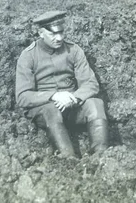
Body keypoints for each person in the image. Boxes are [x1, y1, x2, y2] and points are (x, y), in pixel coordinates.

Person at [15, 10, 109, 158]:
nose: (59, 38)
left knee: (95, 104)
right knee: (51, 110)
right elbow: (22, 96)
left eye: (61, 32)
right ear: (41, 33)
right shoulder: (28, 56)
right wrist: (54, 96)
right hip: (45, 110)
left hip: (71, 106)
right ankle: (67, 157)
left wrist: (74, 98)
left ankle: (102, 155)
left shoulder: (74, 50)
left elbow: (91, 83)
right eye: (53, 34)